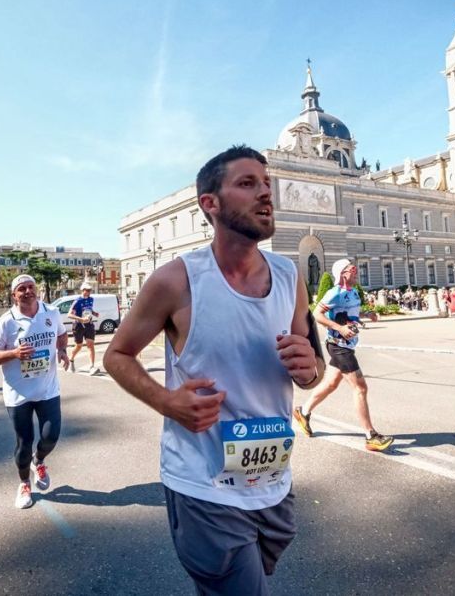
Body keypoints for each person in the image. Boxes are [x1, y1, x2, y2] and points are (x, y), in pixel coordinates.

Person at [103, 146, 323, 595]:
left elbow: (314, 366)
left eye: (267, 183)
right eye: (247, 183)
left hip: (273, 482)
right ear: (211, 203)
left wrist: (310, 370)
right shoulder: (176, 280)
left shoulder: (289, 276)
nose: (266, 193)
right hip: (203, 485)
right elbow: (117, 354)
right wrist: (167, 402)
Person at [0, 275, 70, 509]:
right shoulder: (7, 322)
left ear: (37, 290)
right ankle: (24, 484)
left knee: (51, 436)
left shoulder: (52, 312)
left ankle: (38, 460)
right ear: (14, 295)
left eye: (31, 287)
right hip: (18, 394)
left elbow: (62, 334)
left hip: (47, 390)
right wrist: (14, 354)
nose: (28, 291)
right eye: (21, 289)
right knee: (24, 443)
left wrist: (62, 351)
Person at [293, 258, 395, 453]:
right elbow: (317, 314)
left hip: (348, 344)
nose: (356, 273)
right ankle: (371, 436)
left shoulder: (354, 292)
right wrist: (339, 328)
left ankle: (303, 412)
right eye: (352, 270)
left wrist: (367, 315)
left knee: (331, 384)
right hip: (338, 345)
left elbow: (352, 314)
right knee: (360, 387)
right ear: (343, 274)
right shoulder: (334, 293)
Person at [67, 282, 101, 375]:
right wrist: (81, 319)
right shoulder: (77, 301)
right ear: (82, 290)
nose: (89, 292)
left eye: (90, 290)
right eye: (87, 290)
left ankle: (92, 367)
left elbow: (89, 309)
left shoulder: (91, 299)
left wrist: (94, 313)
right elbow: (69, 314)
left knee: (91, 345)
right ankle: (71, 359)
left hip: (89, 324)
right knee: (79, 346)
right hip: (78, 325)